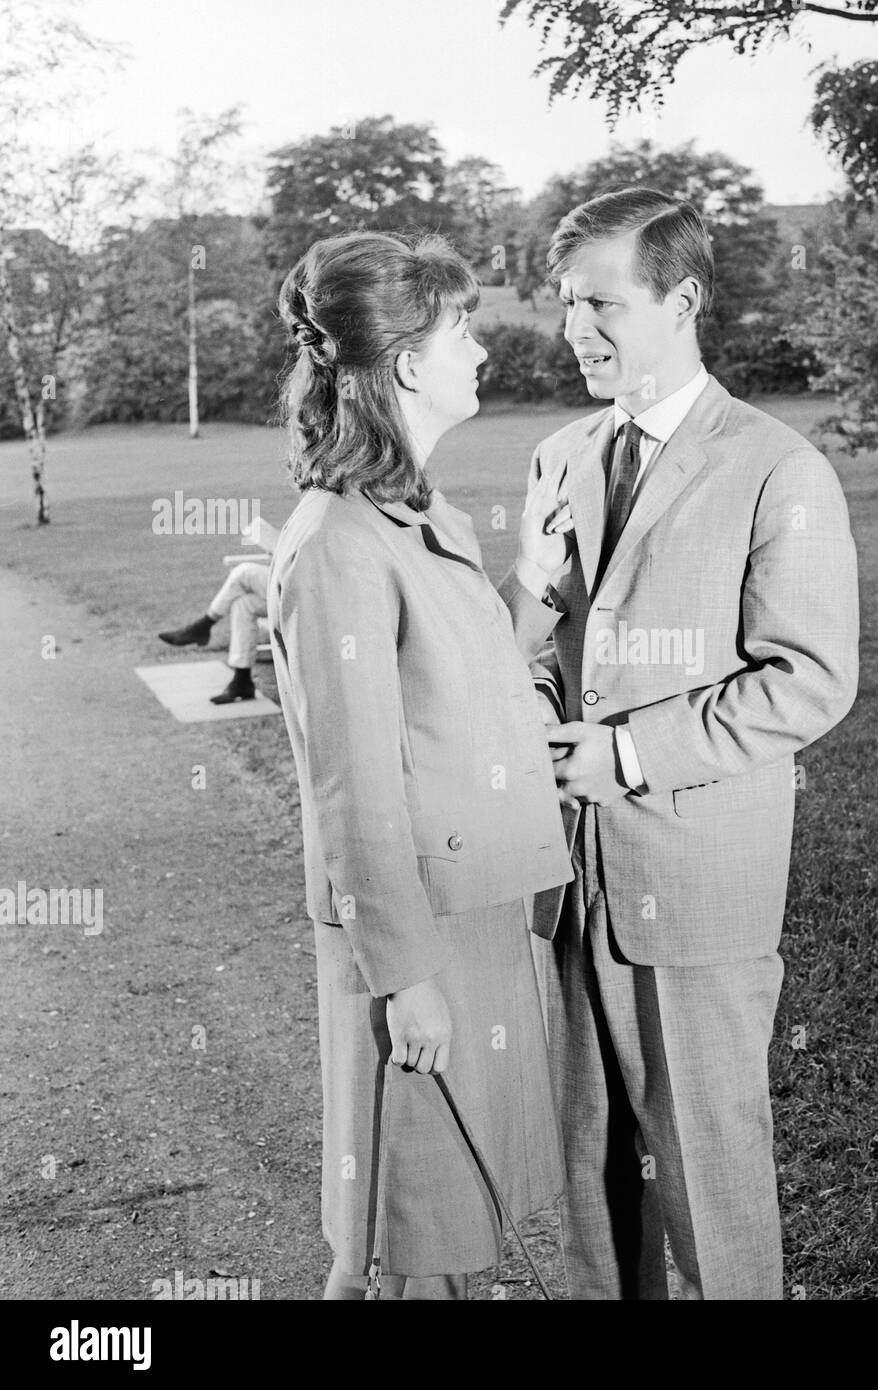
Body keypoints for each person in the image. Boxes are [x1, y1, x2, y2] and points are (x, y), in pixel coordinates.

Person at [526, 188, 860, 1300]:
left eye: (603, 303)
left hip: (698, 878)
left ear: (684, 300)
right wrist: (526, 701)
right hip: (565, 881)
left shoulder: (777, 468)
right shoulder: (560, 455)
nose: (578, 327)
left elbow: (808, 679)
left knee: (709, 1183)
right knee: (587, 1177)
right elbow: (540, 643)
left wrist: (622, 755)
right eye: (568, 302)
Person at [267, 229, 575, 1300]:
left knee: (448, 1234)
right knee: (414, 1247)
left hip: (466, 916)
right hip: (420, 937)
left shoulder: (413, 509)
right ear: (405, 361)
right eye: (463, 329)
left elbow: (463, 685)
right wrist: (405, 979)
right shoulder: (339, 544)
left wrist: (531, 576)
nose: (480, 349)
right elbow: (351, 794)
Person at [158, 562, 269, 704]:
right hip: (294, 587)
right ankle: (242, 681)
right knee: (243, 605)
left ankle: (202, 626)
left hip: (301, 591)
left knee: (244, 572)